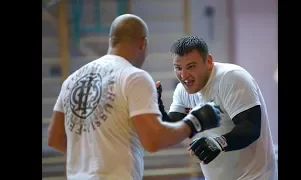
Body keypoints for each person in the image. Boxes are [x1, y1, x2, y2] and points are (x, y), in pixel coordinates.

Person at [47, 14, 221, 180]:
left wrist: (91, 163)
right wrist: (194, 122)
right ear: (143, 44)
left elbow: (55, 139)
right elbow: (153, 140)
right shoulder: (133, 76)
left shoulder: (73, 79)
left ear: (111, 41)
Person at [157, 36, 278, 180]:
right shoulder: (182, 90)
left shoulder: (231, 78)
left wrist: (218, 142)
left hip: (255, 177)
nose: (183, 75)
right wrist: (156, 106)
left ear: (208, 61)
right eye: (178, 68)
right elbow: (172, 130)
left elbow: (250, 127)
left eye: (191, 66)